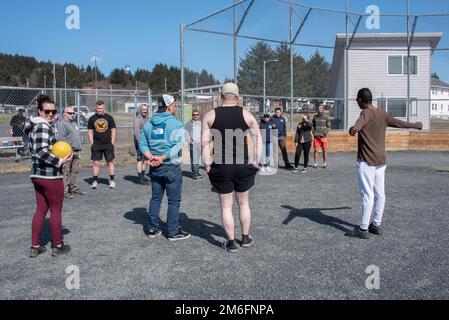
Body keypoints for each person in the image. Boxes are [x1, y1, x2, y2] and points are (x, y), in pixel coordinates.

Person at [346, 88, 423, 239]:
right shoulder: (382, 113)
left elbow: (358, 125)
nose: (356, 102)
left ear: (361, 100)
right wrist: (415, 125)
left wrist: (353, 129)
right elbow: (398, 123)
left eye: (357, 100)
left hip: (367, 161)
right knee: (380, 194)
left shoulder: (365, 113)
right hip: (381, 161)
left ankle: (362, 229)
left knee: (367, 195)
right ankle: (375, 224)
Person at [202, 83, 262, 253]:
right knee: (243, 203)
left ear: (221, 96)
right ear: (237, 96)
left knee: (226, 206)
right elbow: (259, 140)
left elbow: (204, 143)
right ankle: (245, 237)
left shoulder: (210, 115)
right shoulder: (246, 114)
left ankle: (231, 242)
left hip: (221, 165)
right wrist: (256, 162)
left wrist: (207, 164)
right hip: (242, 165)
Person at [24, 94, 73, 258]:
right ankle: (58, 245)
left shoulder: (33, 126)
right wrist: (59, 160)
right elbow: (40, 151)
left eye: (54, 111)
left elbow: (38, 150)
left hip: (37, 175)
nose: (51, 114)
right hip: (49, 176)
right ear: (39, 111)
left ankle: (35, 246)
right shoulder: (43, 126)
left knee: (41, 210)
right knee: (56, 210)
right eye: (47, 111)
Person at [139, 94, 191, 241]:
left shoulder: (149, 124)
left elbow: (142, 143)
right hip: (171, 166)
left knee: (156, 198)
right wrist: (161, 157)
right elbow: (178, 145)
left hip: (155, 167)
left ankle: (152, 228)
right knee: (174, 201)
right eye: (174, 105)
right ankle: (173, 231)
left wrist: (151, 157)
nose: (175, 107)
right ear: (168, 107)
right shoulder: (176, 124)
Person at [57, 106, 86, 199]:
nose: (73, 114)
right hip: (68, 152)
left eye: (73, 113)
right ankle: (64, 191)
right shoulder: (62, 124)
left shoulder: (73, 123)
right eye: (70, 113)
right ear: (64, 113)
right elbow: (61, 139)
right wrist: (71, 147)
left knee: (74, 171)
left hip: (76, 151)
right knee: (65, 171)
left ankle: (74, 188)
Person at [88, 100, 117, 189]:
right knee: (96, 163)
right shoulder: (92, 118)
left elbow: (113, 130)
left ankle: (111, 181)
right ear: (96, 108)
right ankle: (95, 181)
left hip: (108, 144)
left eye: (101, 108)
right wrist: (92, 143)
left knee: (110, 162)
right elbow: (90, 131)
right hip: (96, 144)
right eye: (98, 108)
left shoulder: (109, 118)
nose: (99, 110)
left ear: (103, 108)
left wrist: (112, 142)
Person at [134, 104, 150, 185]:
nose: (145, 111)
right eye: (143, 109)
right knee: (140, 160)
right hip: (140, 143)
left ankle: (143, 176)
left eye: (146, 109)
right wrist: (140, 144)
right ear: (140, 110)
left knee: (146, 160)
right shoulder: (137, 120)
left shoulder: (146, 119)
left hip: (146, 143)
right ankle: (140, 179)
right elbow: (137, 133)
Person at [312, 103, 331, 169]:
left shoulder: (326, 117)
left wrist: (324, 133)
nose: (319, 109)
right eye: (318, 108)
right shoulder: (315, 117)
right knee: (315, 150)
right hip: (316, 137)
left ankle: (325, 163)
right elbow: (312, 126)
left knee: (324, 150)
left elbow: (329, 127)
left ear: (322, 109)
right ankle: (315, 163)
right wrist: (314, 133)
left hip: (323, 137)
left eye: (320, 108)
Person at [185, 110, 203, 179]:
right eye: (194, 115)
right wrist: (189, 141)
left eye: (197, 114)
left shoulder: (201, 123)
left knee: (198, 159)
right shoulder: (189, 123)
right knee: (194, 159)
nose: (195, 116)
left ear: (199, 115)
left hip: (199, 143)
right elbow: (186, 132)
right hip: (193, 143)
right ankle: (194, 173)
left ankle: (197, 172)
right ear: (192, 115)